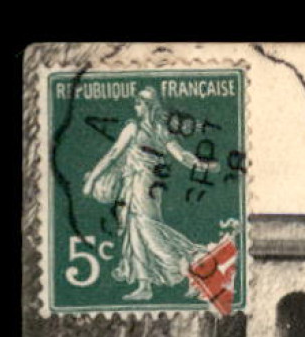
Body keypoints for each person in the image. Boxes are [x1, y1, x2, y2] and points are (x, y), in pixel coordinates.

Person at [80, 87, 219, 301]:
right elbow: (182, 156)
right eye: (136, 102)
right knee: (135, 230)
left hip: (141, 183)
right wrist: (202, 165)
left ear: (148, 106)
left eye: (139, 103)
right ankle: (144, 285)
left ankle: (192, 267)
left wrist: (91, 180)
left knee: (148, 229)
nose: (136, 106)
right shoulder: (160, 130)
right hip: (147, 185)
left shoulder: (135, 128)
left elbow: (113, 155)